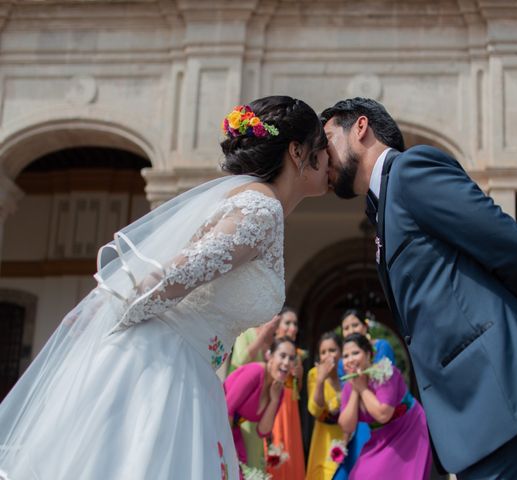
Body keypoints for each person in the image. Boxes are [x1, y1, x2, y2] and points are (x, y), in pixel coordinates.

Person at [0, 96, 330, 480]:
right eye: (322, 148)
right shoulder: (263, 209)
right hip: (165, 365)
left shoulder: (252, 202)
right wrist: (111, 331)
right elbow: (176, 275)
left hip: (189, 365)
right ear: (297, 151)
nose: (329, 160)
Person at [321, 97, 517, 479]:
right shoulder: (383, 208)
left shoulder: (411, 170)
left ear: (359, 127)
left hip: (501, 397)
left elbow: (509, 244)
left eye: (326, 140)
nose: (322, 158)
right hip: (475, 416)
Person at [338, 333, 431, 479]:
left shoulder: (385, 373)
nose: (350, 360)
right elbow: (347, 426)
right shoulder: (348, 387)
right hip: (380, 437)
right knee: (359, 475)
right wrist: (356, 390)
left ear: (368, 354)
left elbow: (383, 414)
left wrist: (362, 388)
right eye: (345, 356)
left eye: (355, 353)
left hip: (408, 429)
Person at [334, 308, 395, 479]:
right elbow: (347, 396)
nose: (351, 330)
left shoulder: (381, 347)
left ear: (365, 326)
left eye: (355, 325)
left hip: (381, 414)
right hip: (358, 420)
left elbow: (384, 381)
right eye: (346, 328)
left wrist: (360, 383)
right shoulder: (342, 363)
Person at [224, 337, 296, 475]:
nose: (286, 362)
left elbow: (263, 431)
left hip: (231, 428)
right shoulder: (255, 372)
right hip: (218, 420)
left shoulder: (278, 391)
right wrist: (227, 449)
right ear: (270, 356)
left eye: (291, 358)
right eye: (282, 355)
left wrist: (274, 400)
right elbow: (227, 408)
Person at [227, 314, 281, 470]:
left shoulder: (274, 339)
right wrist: (263, 333)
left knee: (255, 463)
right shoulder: (246, 332)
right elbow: (240, 362)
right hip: (238, 408)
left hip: (258, 409)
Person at [266, 307, 306, 480]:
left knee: (291, 448)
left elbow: (298, 390)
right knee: (276, 448)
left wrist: (300, 376)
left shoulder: (297, 355)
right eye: (288, 322)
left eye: (295, 324)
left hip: (290, 407)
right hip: (274, 404)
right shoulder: (270, 349)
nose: (293, 327)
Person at [305, 332, 343, 480]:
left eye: (332, 350)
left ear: (341, 351)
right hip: (324, 442)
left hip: (347, 438)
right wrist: (321, 380)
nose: (328, 355)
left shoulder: (347, 373)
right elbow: (314, 409)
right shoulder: (314, 374)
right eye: (323, 352)